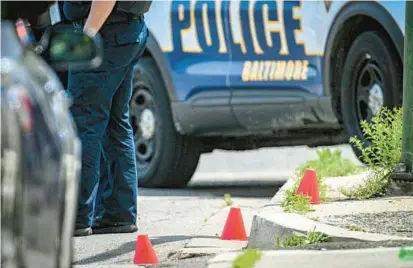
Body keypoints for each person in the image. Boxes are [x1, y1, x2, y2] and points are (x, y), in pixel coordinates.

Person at [62, 0, 151, 236]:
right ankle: (118, 213)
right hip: (124, 31)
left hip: (104, 32)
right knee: (114, 123)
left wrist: (86, 37)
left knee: (84, 123)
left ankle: (77, 216)